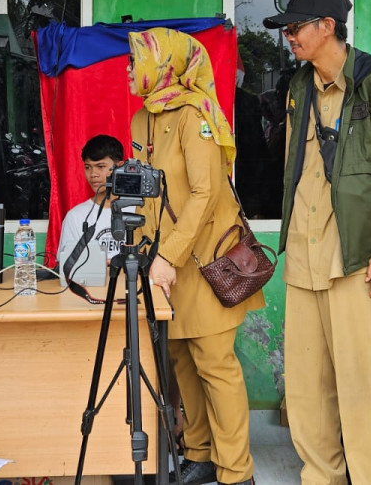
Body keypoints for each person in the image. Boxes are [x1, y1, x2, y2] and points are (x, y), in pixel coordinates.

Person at [263, 0, 371, 484]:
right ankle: (321, 477)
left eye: (295, 27)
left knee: (360, 383)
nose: (288, 37)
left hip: (355, 256)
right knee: (307, 386)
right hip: (304, 255)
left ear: (327, 26)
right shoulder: (298, 86)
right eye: (286, 29)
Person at [127, 27, 261, 485]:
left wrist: (169, 256)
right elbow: (147, 193)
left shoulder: (195, 114)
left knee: (215, 364)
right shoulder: (142, 119)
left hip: (204, 261)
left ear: (162, 65)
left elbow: (205, 194)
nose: (129, 70)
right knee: (181, 358)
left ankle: (237, 471)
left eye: (135, 61)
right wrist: (142, 254)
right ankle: (201, 453)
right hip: (164, 264)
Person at [55, 134, 126, 286]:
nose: (93, 174)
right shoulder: (75, 216)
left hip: (132, 292)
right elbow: (66, 266)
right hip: (90, 292)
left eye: (101, 167)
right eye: (88, 167)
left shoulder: (138, 211)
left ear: (119, 167)